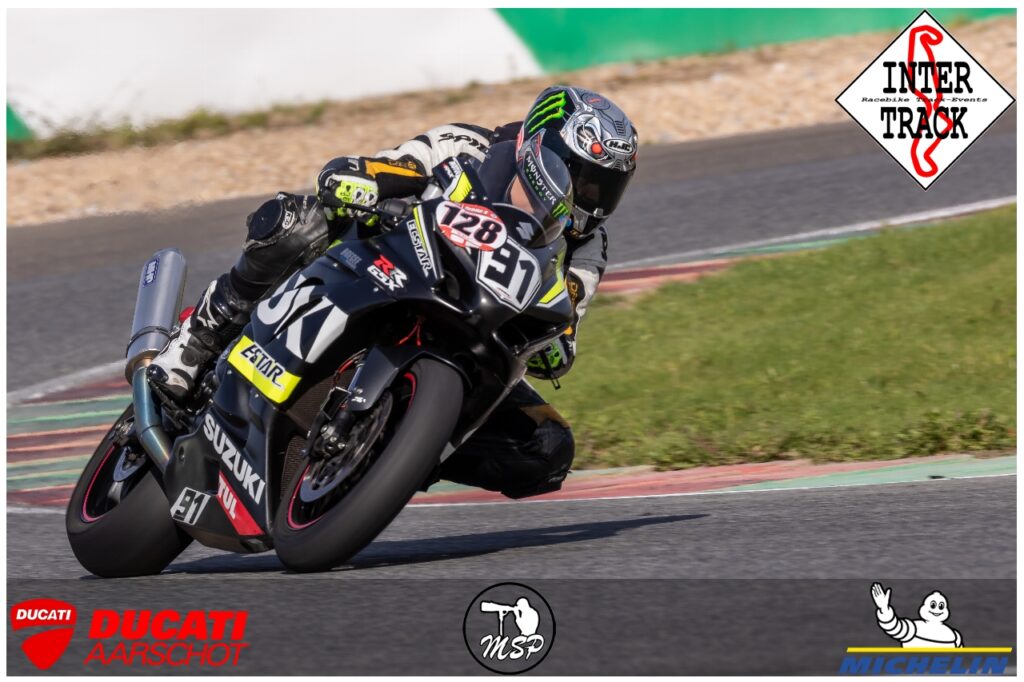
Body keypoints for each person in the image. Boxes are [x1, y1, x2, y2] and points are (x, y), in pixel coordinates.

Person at [149, 85, 638, 499]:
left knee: (547, 449)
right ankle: (199, 341)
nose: (593, 200)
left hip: (472, 334)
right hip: (381, 270)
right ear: (542, 153)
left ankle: (392, 456)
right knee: (300, 223)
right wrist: (361, 180)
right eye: (586, 180)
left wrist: (553, 345)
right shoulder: (468, 146)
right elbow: (389, 167)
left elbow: (565, 329)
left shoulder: (586, 248)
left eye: (606, 188)